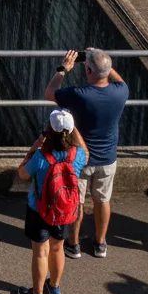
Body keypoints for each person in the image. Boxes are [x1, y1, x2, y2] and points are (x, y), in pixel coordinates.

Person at [44, 47, 128, 259]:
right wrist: (102, 61)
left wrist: (63, 68)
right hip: (108, 158)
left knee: (77, 201)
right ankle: (100, 243)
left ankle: (73, 244)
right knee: (102, 200)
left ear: (88, 71)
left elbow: (50, 92)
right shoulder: (121, 92)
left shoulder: (79, 95)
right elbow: (119, 80)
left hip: (81, 159)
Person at [14, 108, 89, 294]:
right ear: (70, 131)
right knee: (58, 248)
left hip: (38, 209)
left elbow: (22, 173)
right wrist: (73, 127)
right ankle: (54, 288)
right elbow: (86, 152)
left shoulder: (41, 157)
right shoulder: (78, 155)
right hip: (65, 210)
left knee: (40, 252)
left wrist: (35, 146)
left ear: (49, 130)